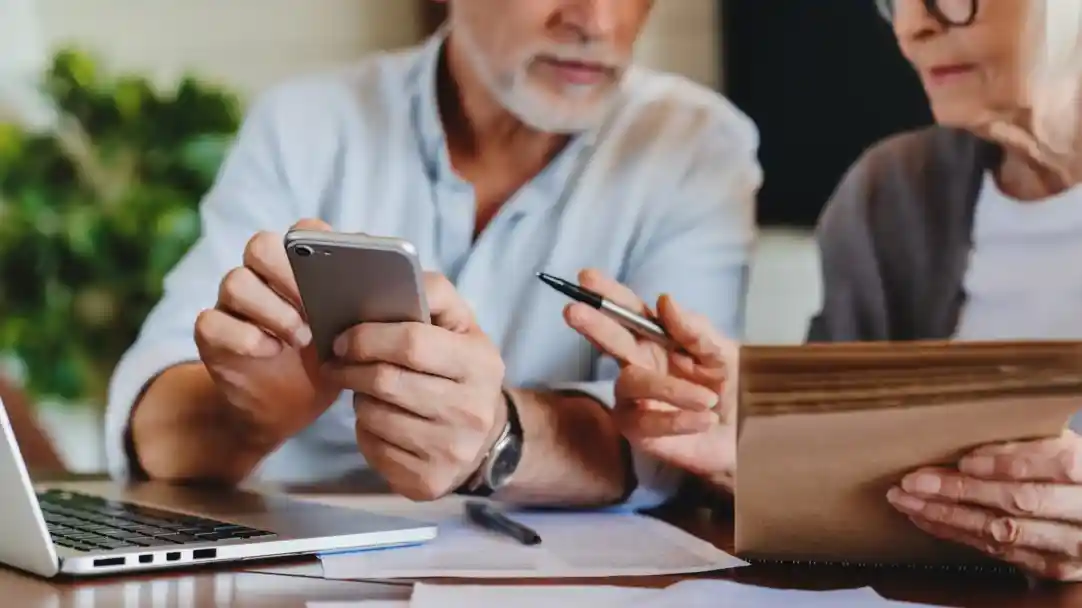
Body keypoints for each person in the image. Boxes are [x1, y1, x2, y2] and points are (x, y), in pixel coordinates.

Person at [104, 0, 762, 511]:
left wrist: (498, 437)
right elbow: (147, 423)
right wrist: (250, 414)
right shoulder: (305, 125)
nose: (596, 20)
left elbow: (679, 440)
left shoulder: (698, 148)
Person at [565, 0, 1082, 580]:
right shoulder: (890, 195)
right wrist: (764, 447)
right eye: (898, 2)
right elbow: (859, 514)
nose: (913, 26)